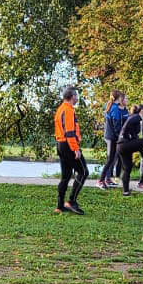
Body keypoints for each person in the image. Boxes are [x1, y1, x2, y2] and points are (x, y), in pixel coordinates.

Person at [53, 86, 88, 214]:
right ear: (72, 96)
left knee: (66, 176)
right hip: (68, 145)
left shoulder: (60, 109)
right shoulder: (67, 110)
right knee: (83, 172)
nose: (77, 98)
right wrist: (75, 149)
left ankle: (60, 206)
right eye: (76, 95)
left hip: (60, 144)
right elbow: (69, 132)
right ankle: (71, 201)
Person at [115, 99, 143, 194]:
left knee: (128, 167)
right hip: (125, 144)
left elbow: (132, 133)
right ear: (142, 111)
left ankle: (125, 191)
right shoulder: (136, 118)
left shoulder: (133, 118)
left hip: (122, 144)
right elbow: (128, 131)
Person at [98, 91, 129, 188]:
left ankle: (107, 180)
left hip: (112, 137)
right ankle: (101, 181)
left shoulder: (112, 106)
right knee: (110, 160)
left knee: (111, 160)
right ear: (119, 98)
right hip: (112, 137)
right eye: (121, 97)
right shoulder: (115, 108)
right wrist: (120, 137)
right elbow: (116, 125)